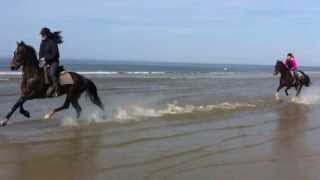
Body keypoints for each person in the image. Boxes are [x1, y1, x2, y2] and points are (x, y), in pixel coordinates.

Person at [39, 27, 63, 96]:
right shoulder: (42, 43)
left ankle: (57, 90)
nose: (42, 36)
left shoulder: (52, 42)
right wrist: (40, 59)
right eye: (41, 35)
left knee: (52, 74)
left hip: (54, 62)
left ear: (46, 35)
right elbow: (40, 53)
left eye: (43, 35)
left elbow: (55, 54)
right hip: (45, 62)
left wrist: (46, 59)